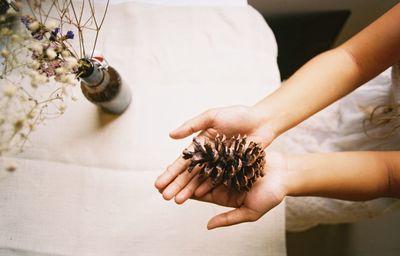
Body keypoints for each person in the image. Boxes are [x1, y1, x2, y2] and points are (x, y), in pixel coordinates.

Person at [155, 3, 400, 230]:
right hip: (338, 101)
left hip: (351, 178)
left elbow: (389, 175)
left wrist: (288, 174)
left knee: (283, 213)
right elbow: (354, 59)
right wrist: (263, 118)